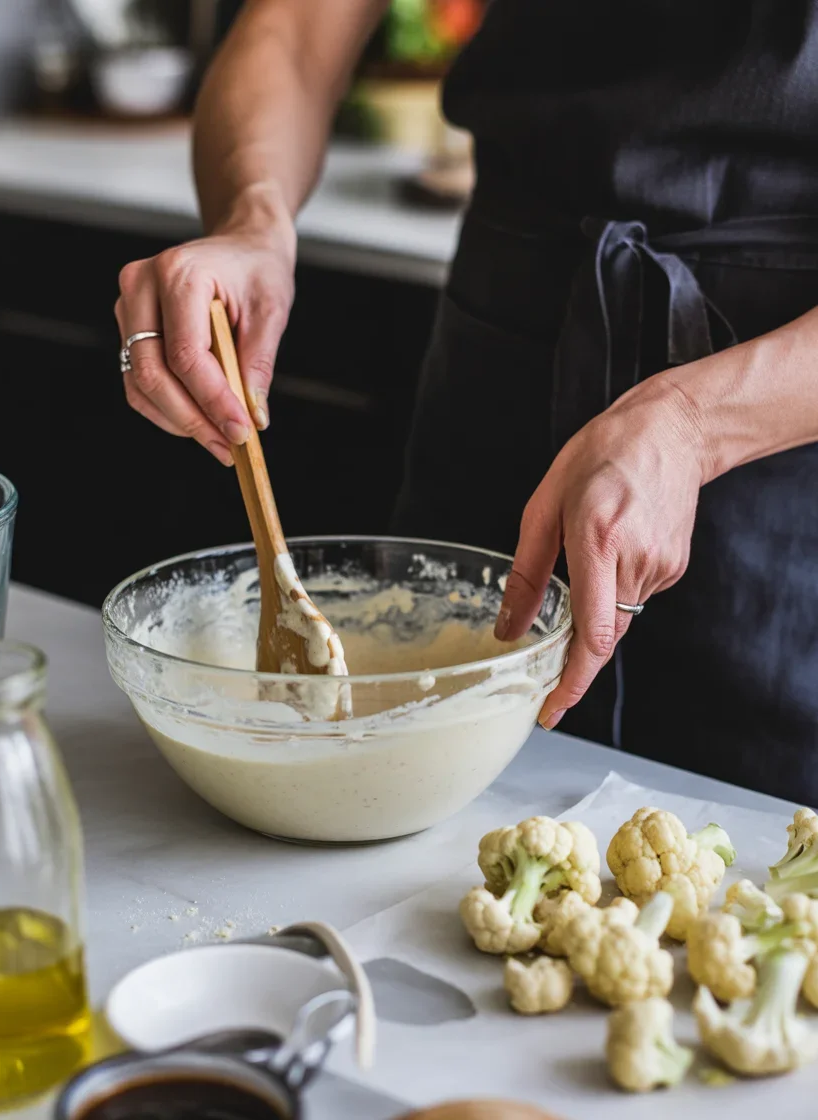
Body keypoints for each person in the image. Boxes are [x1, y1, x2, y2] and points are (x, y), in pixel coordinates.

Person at [115, 0, 818, 803]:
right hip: (507, 348)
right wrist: (254, 218)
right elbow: (298, 30)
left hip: (784, 425)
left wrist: (697, 424)